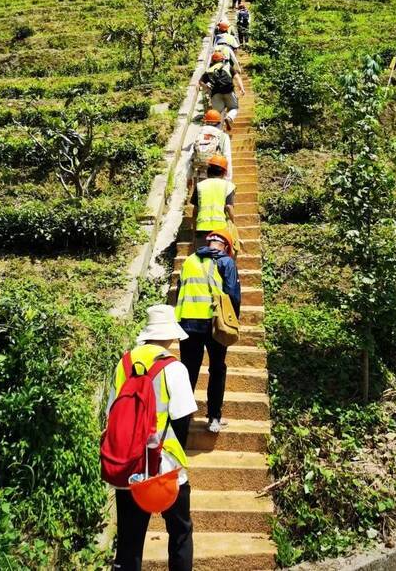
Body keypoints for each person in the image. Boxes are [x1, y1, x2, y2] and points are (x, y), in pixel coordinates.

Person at [105, 304, 197, 571]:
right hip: (166, 467)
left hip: (128, 467)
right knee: (180, 533)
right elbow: (182, 419)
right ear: (170, 334)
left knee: (129, 545)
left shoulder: (123, 363)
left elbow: (113, 413)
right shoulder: (174, 368)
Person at [175, 230, 241, 433]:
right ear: (226, 247)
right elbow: (232, 294)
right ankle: (214, 417)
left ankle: (181, 422)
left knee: (188, 372)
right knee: (217, 369)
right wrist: (233, 322)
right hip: (214, 323)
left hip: (187, 323)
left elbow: (180, 290)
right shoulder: (226, 262)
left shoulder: (189, 261)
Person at [191, 154, 235, 248]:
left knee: (202, 259)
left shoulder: (199, 186)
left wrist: (194, 231)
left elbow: (195, 211)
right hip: (219, 230)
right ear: (224, 173)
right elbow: (229, 207)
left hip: (201, 229)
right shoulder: (228, 186)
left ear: (207, 171)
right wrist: (233, 223)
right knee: (218, 258)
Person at [200, 51, 244, 131]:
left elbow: (200, 82)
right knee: (234, 108)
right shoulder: (228, 67)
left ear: (212, 61)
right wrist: (241, 88)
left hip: (215, 94)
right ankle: (229, 117)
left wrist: (205, 86)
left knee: (217, 116)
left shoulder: (209, 70)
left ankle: (217, 134)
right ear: (223, 59)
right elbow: (237, 77)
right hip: (229, 92)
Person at [189, 108, 232, 189]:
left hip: (199, 175)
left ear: (205, 122)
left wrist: (188, 177)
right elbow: (227, 158)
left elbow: (190, 157)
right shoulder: (223, 136)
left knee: (202, 199)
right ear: (219, 123)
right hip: (217, 176)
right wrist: (228, 179)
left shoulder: (199, 135)